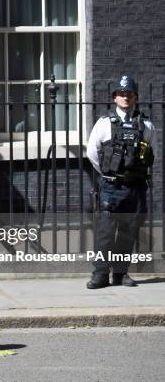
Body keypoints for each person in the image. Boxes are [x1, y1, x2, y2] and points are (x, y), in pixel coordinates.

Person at [86, 76, 157, 289]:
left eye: (130, 94)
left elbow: (154, 153)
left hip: (135, 187)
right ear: (115, 98)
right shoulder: (104, 123)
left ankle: (120, 274)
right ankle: (100, 275)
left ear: (135, 97)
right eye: (121, 94)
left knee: (128, 232)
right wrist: (109, 175)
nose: (126, 97)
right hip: (111, 187)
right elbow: (92, 153)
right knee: (106, 233)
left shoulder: (146, 124)